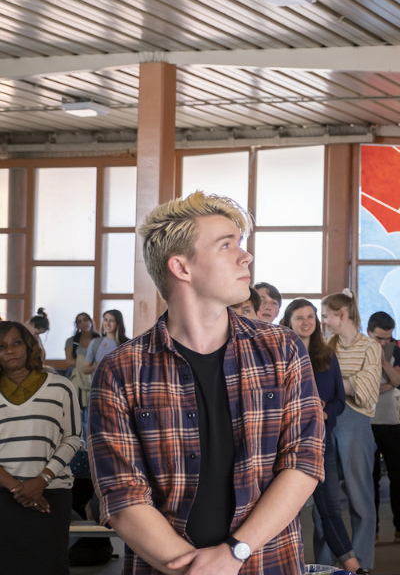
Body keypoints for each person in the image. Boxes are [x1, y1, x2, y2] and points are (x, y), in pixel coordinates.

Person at [88, 191, 324, 575]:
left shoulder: (281, 348)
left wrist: (235, 552)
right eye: (226, 245)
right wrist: (196, 570)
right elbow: (122, 496)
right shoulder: (121, 370)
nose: (244, 256)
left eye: (241, 244)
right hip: (166, 567)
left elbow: (304, 462)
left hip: (267, 563)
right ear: (181, 267)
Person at [284, 298, 364, 574]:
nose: (306, 322)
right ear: (288, 322)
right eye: (299, 318)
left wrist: (323, 412)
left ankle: (352, 566)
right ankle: (288, 565)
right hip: (287, 445)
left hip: (321, 441)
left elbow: (340, 400)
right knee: (287, 510)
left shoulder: (327, 356)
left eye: (311, 317)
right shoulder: (279, 353)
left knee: (330, 507)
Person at [0, 320, 80, 575]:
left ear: (28, 345)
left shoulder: (60, 387)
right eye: (1, 347)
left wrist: (42, 480)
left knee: (51, 566)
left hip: (51, 494)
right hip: (5, 496)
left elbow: (73, 438)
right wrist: (17, 487)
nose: (10, 351)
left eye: (16, 343)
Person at [315, 289, 383, 569]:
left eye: (325, 316)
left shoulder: (370, 347)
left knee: (359, 495)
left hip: (355, 422)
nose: (322, 322)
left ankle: (362, 563)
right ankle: (323, 565)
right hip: (326, 421)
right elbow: (332, 386)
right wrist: (342, 383)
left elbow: (366, 390)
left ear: (341, 315)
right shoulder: (325, 345)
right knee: (323, 499)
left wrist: (333, 384)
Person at [367, 310, 400, 545]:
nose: (383, 343)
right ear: (367, 332)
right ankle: (372, 530)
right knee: (369, 480)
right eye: (378, 338)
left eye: (387, 338)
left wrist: (382, 363)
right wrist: (391, 382)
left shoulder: (394, 351)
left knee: (398, 475)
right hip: (365, 422)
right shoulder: (356, 350)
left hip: (390, 420)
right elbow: (360, 390)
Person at [65, 312, 97, 407]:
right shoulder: (72, 341)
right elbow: (69, 361)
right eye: (79, 321)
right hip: (75, 375)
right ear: (77, 325)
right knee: (76, 407)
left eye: (85, 320)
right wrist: (90, 364)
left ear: (90, 321)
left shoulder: (99, 339)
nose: (83, 323)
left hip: (95, 376)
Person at [84, 309, 127, 378]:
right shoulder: (95, 342)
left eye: (111, 321)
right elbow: (85, 369)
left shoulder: (127, 344)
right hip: (100, 384)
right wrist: (97, 366)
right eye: (105, 320)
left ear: (118, 323)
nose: (107, 323)